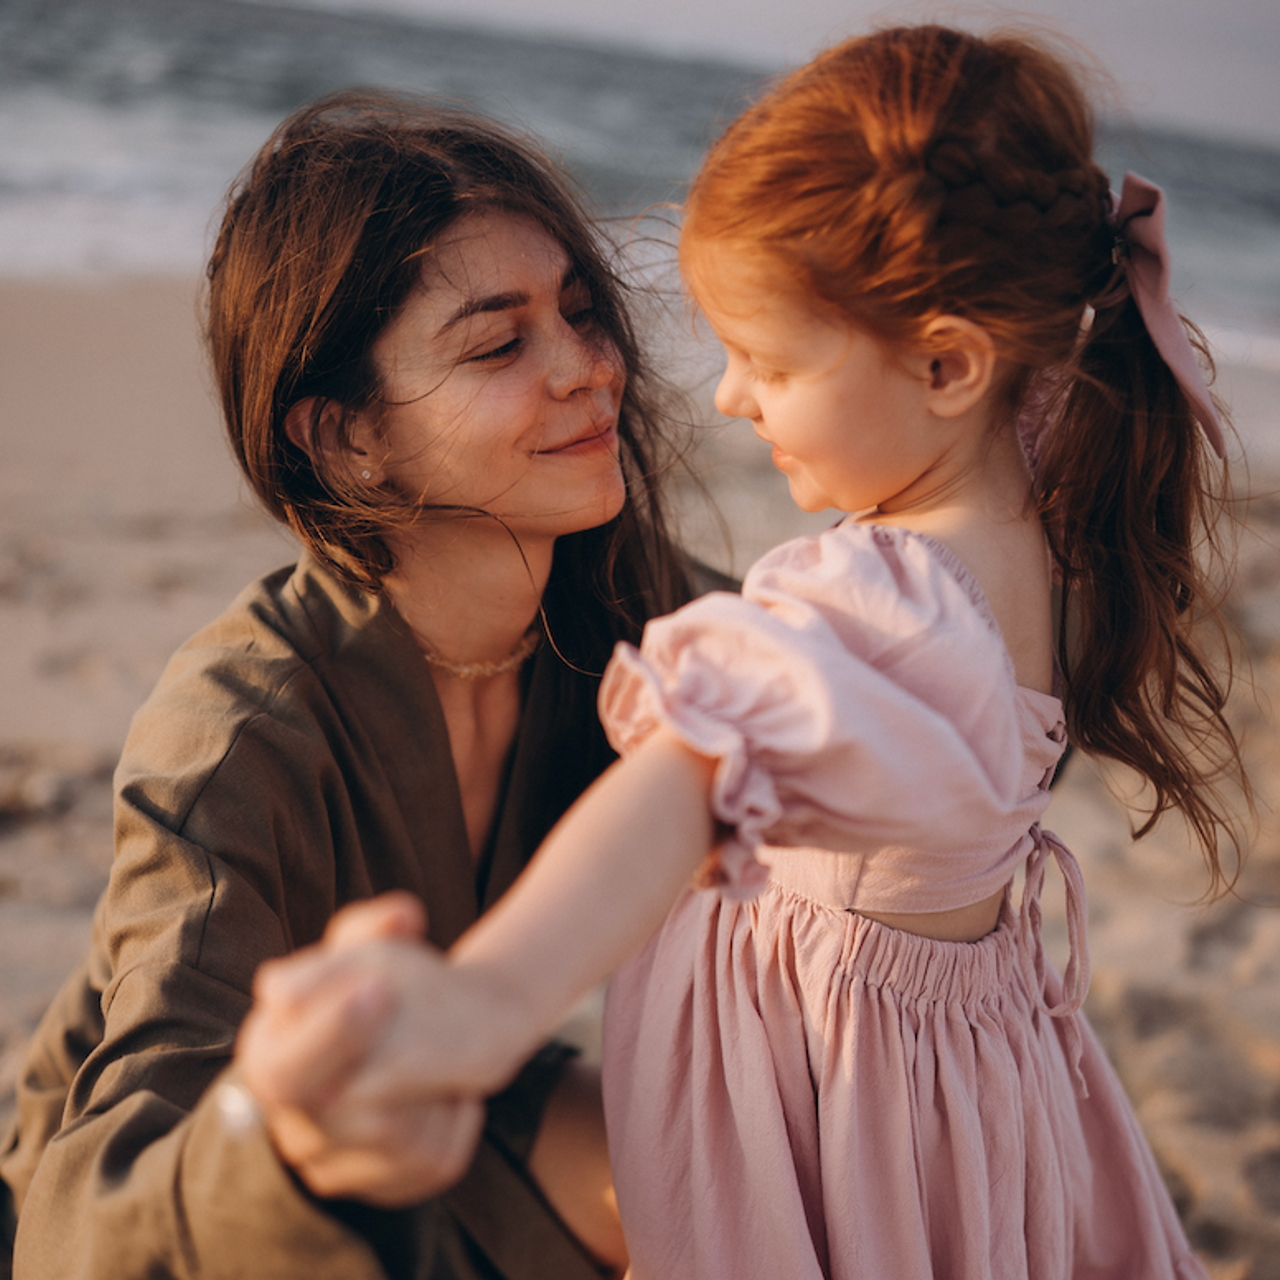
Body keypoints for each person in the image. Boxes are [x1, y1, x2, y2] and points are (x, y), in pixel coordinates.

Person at [237, 27, 1245, 1280]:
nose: (727, 397)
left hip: (831, 1116)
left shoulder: (879, 604)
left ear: (945, 360)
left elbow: (675, 792)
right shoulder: (1034, 488)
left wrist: (487, 999)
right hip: (957, 1093)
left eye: (768, 359)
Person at [0, 89, 715, 1280]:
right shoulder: (236, 728)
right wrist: (280, 1143)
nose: (588, 368)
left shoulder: (627, 604)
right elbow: (88, 1217)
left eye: (579, 313)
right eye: (499, 342)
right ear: (343, 437)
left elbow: (907, 685)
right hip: (227, 1185)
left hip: (458, 1097)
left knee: (724, 1182)